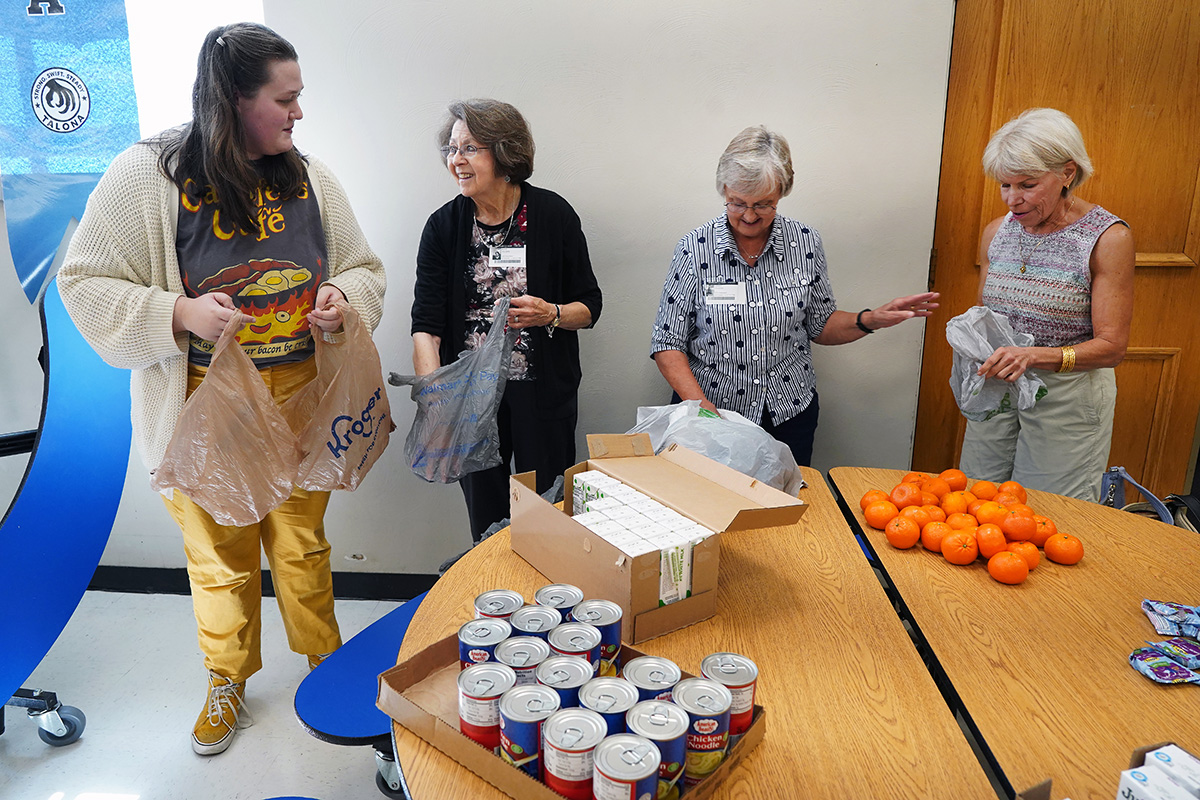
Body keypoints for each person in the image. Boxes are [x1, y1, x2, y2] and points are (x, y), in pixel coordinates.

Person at [57, 23, 386, 756]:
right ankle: (226, 677)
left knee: (302, 544)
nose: (298, 112)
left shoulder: (308, 175)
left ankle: (324, 661)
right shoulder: (148, 175)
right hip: (203, 398)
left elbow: (363, 267)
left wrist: (342, 299)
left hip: (299, 391)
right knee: (218, 554)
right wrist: (177, 313)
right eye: (285, 99)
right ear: (235, 99)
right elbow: (83, 282)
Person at [649, 125, 937, 466]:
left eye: (763, 204)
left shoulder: (805, 243)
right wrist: (703, 410)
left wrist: (869, 319)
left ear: (782, 191)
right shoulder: (695, 248)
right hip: (712, 412)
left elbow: (820, 324)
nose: (749, 216)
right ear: (724, 189)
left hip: (788, 411)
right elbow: (667, 341)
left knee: (786, 498)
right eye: (737, 203)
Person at [411, 99, 602, 542]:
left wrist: (551, 313)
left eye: (469, 149)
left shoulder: (553, 215)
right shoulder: (443, 227)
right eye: (452, 149)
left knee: (547, 513)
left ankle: (548, 583)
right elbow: (426, 326)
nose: (456, 160)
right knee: (487, 519)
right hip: (471, 397)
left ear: (504, 153)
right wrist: (437, 402)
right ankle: (493, 583)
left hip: (543, 394)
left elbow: (590, 306)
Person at [958, 108, 1133, 501]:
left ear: (1067, 173)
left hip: (1066, 397)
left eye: (1028, 184)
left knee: (1047, 513)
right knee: (975, 502)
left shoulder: (1107, 238)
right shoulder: (996, 232)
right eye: (1005, 185)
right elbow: (986, 317)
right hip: (999, 388)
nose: (1012, 199)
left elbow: (1112, 347)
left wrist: (1033, 356)